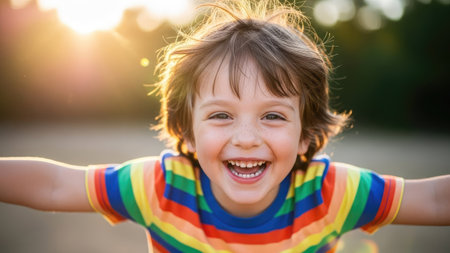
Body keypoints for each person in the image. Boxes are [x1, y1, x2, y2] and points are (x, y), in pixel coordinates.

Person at [1, 0, 449, 252]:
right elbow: (56, 185)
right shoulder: (161, 187)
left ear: (307, 132)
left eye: (273, 115)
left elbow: (432, 197)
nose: (247, 137)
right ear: (188, 131)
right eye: (221, 115)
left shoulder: (330, 194)